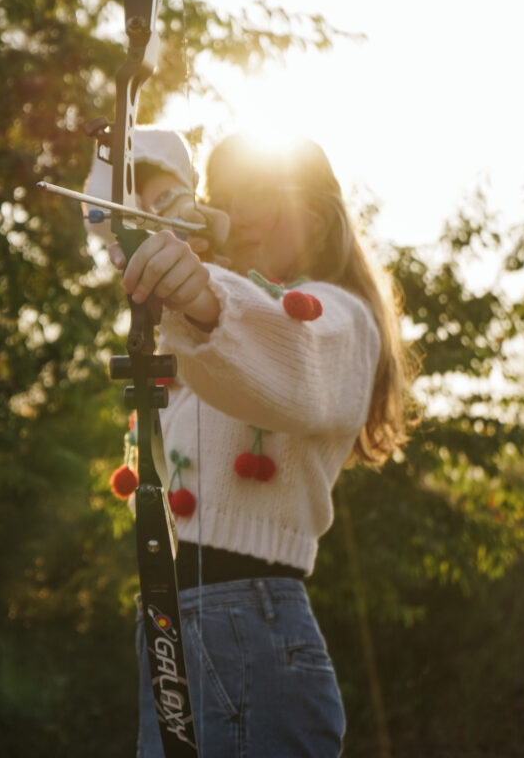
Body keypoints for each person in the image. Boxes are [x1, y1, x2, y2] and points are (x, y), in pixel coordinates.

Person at [99, 130, 413, 758]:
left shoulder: (339, 319)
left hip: (245, 626)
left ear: (316, 216)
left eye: (258, 196)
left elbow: (288, 346)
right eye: (225, 198)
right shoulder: (217, 313)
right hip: (173, 625)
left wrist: (199, 291)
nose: (235, 216)